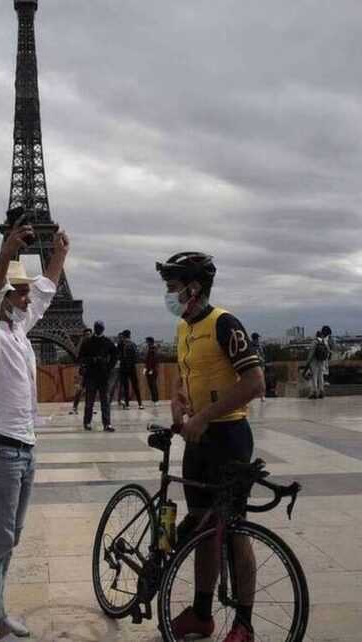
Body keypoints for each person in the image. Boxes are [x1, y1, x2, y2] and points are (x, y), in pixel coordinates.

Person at [0, 216, 68, 641]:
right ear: (5, 295)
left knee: (11, 534)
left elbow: (44, 295)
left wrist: (58, 256)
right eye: (19, 290)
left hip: (24, 446)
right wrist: (6, 252)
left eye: (25, 290)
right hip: (1, 447)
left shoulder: (18, 329)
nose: (27, 296)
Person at [157, 251, 265, 642]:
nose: (168, 295)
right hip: (199, 440)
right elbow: (185, 374)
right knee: (202, 524)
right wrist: (178, 401)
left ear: (193, 288)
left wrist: (204, 416)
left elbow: (255, 383)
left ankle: (244, 624)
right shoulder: (184, 327)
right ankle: (202, 613)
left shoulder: (224, 323)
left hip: (228, 437)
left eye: (172, 287)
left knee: (233, 530)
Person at [78, 320, 117, 431]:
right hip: (91, 374)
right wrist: (92, 360)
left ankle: (107, 424)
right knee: (90, 401)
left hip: (103, 375)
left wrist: (108, 367)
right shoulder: (88, 342)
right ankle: (87, 422)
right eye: (97, 327)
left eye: (99, 327)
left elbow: (115, 356)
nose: (98, 329)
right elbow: (81, 357)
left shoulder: (106, 342)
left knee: (105, 401)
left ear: (102, 329)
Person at [116, 330, 144, 409]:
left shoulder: (120, 344)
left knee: (126, 386)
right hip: (132, 367)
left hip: (124, 367)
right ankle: (140, 404)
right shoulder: (133, 344)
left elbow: (117, 355)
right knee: (135, 386)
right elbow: (137, 356)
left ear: (123, 336)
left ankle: (127, 404)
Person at [304, 327, 333, 399]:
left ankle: (314, 392)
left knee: (314, 376)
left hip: (314, 361)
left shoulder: (315, 341)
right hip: (322, 361)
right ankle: (321, 391)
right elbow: (329, 351)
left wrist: (308, 362)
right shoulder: (324, 342)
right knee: (321, 376)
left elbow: (311, 353)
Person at [69, 328, 92, 414]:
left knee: (90, 391)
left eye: (89, 334)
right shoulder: (82, 345)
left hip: (91, 371)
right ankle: (75, 407)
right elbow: (77, 356)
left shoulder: (93, 345)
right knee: (79, 390)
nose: (87, 336)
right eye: (86, 335)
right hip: (84, 371)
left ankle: (89, 408)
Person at [144, 336, 160, 406]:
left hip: (152, 370)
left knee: (153, 385)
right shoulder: (151, 349)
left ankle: (156, 400)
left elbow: (153, 361)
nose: (146, 343)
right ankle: (154, 399)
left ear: (150, 342)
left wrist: (151, 369)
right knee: (151, 385)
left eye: (147, 341)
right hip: (150, 369)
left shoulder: (152, 350)